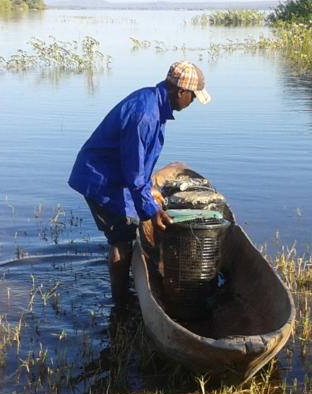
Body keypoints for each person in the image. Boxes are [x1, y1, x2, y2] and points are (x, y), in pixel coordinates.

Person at [68, 61, 211, 302]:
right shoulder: (145, 115)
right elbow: (133, 172)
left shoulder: (154, 103)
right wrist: (150, 210)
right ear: (181, 92)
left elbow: (139, 165)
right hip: (100, 179)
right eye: (193, 97)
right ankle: (120, 302)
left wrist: (150, 191)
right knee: (121, 237)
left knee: (129, 228)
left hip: (113, 175)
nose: (193, 102)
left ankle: (127, 287)